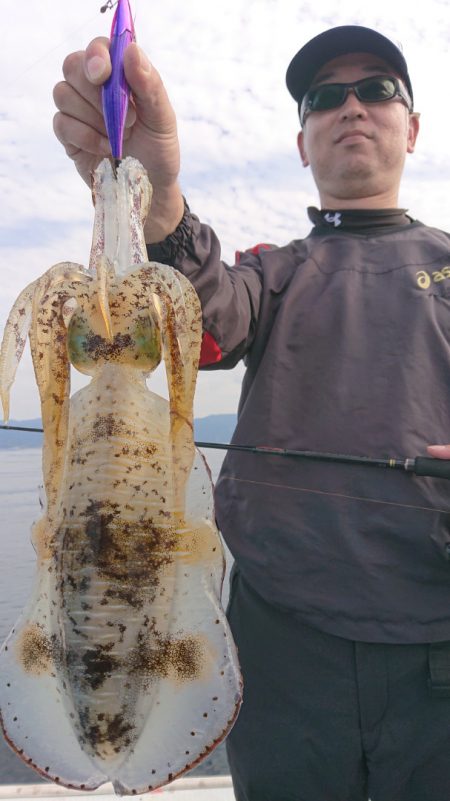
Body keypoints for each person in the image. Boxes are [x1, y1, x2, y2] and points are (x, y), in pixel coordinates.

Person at [53, 23, 450, 801]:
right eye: (326, 97)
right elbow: (203, 319)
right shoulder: (272, 274)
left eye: (377, 90)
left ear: (413, 126)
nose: (353, 108)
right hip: (280, 644)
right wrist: (158, 191)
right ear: (303, 142)